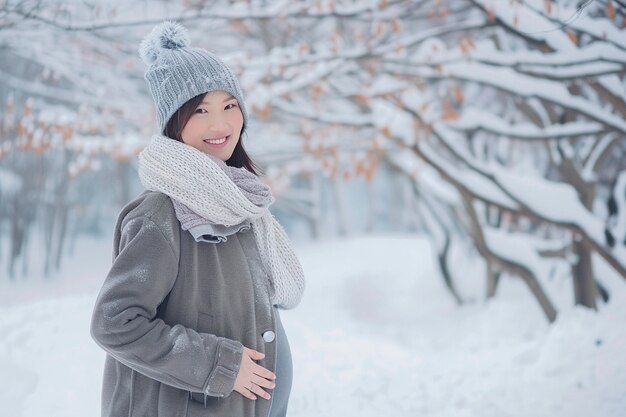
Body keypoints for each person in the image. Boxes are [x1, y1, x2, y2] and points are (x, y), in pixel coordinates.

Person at [90, 21, 306, 417]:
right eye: (200, 110)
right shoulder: (162, 214)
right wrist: (217, 365)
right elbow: (114, 322)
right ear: (174, 123)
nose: (220, 124)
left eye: (229, 106)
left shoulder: (239, 203)